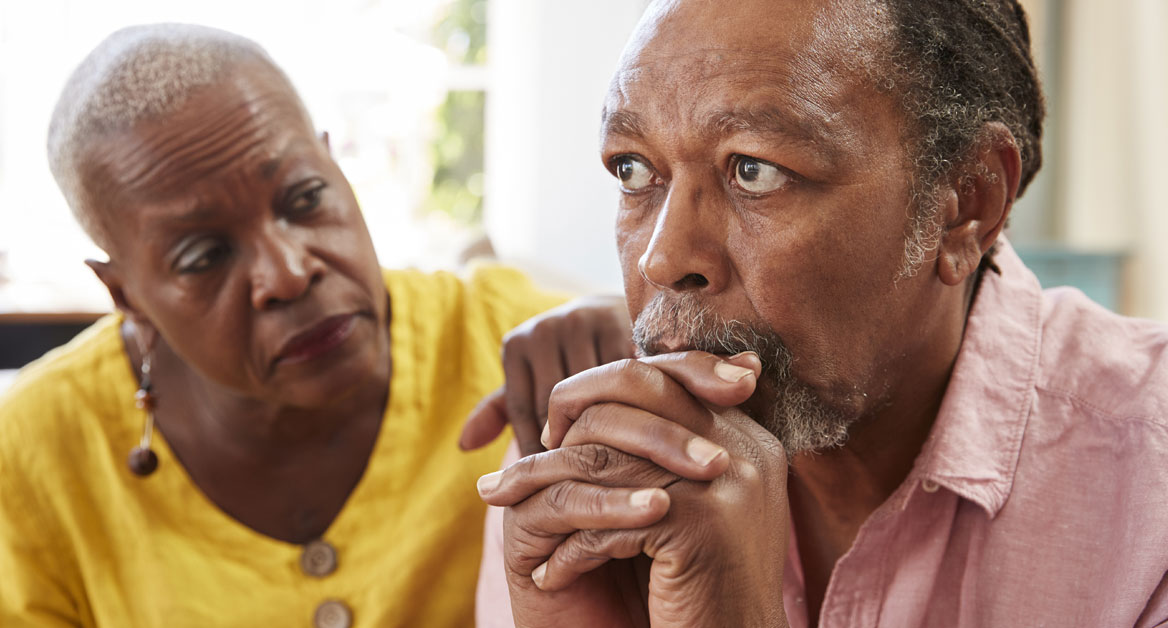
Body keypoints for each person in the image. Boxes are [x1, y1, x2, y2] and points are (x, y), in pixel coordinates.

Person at [473, 0, 1168, 626]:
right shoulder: (592, 456)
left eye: (754, 169)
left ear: (967, 205)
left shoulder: (1149, 496)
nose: (661, 259)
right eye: (633, 170)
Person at [0, 24, 631, 627]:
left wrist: (652, 341)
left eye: (305, 198)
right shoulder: (40, 445)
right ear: (127, 295)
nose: (287, 273)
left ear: (336, 168)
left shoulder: (512, 339)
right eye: (203, 256)